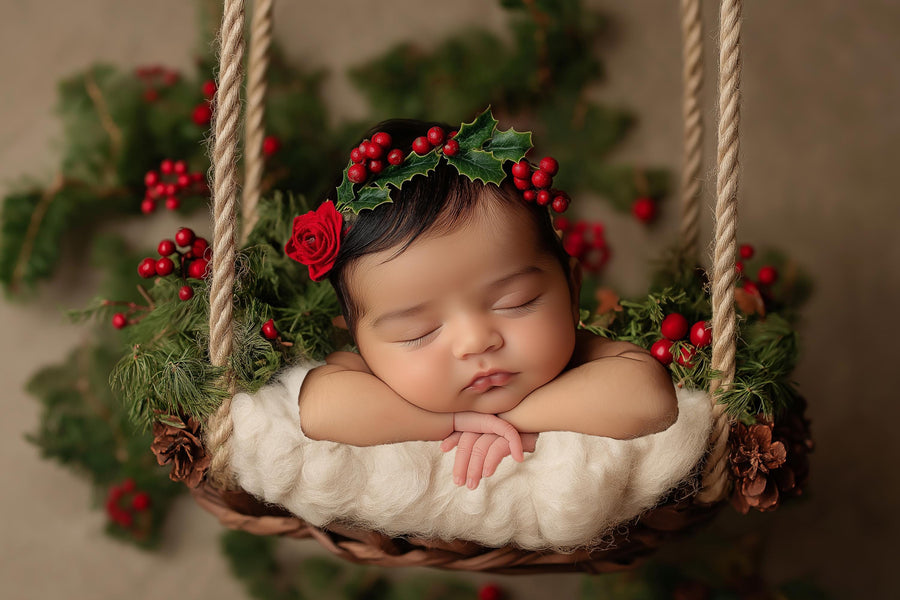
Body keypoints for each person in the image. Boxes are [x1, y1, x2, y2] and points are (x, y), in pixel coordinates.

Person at [289, 115, 678, 491]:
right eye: (417, 332)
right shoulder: (371, 378)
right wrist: (453, 421)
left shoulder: (585, 357)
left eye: (515, 302)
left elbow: (649, 396)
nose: (476, 342)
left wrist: (506, 418)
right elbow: (321, 408)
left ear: (572, 290)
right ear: (357, 341)